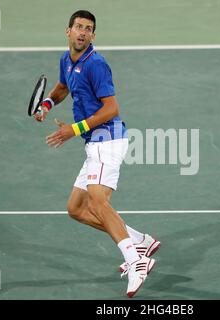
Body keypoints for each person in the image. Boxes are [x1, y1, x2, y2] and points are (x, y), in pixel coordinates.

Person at [34, 10, 160, 298]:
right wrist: (47, 105)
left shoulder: (97, 65)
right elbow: (63, 87)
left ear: (92, 35)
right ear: (68, 31)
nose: (82, 32)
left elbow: (111, 108)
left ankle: (136, 261)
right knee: (76, 208)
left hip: (108, 139)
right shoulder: (66, 60)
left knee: (98, 201)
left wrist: (74, 130)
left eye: (88, 29)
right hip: (94, 143)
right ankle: (140, 241)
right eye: (78, 27)